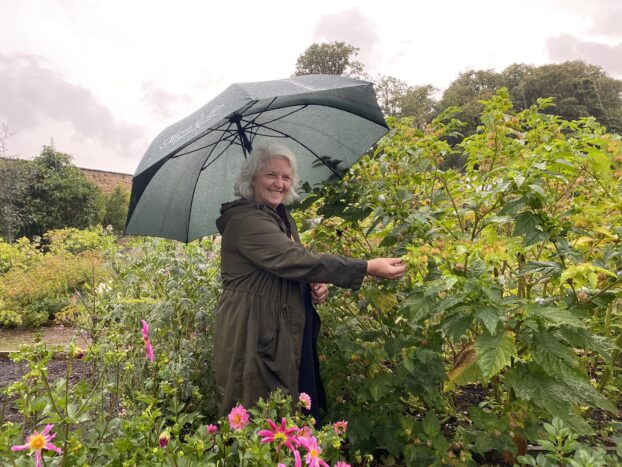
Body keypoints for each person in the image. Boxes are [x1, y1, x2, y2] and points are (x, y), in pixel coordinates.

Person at [214, 143, 406, 420]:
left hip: (282, 324)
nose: (279, 183)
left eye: (286, 177)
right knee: (257, 405)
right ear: (252, 178)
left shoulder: (280, 217)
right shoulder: (246, 221)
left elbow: (297, 265)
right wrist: (367, 267)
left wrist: (312, 284)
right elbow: (295, 260)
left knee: (290, 403)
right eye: (270, 175)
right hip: (253, 327)